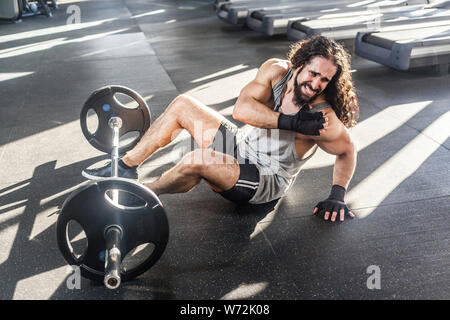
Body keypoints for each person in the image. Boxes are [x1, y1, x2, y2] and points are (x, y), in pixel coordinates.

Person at [82, 35, 359, 222]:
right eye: (313, 73)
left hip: (265, 177)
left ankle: (141, 194)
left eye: (325, 79)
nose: (316, 83)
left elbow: (347, 150)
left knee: (198, 159)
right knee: (183, 104)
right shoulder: (276, 70)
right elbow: (241, 110)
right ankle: (125, 166)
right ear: (299, 64)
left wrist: (337, 194)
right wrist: (291, 122)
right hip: (239, 145)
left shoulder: (322, 117)